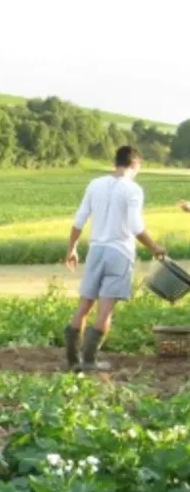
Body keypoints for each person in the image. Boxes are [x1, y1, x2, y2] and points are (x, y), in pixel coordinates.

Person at [63, 145, 166, 371]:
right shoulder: (133, 190)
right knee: (106, 308)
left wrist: (72, 248)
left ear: (116, 162)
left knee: (84, 305)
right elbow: (135, 226)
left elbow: (79, 219)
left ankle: (72, 361)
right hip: (119, 253)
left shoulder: (95, 184)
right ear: (135, 164)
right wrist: (155, 247)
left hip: (96, 250)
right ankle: (89, 361)